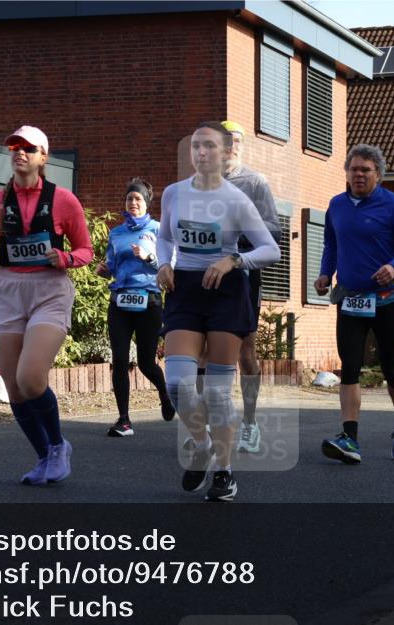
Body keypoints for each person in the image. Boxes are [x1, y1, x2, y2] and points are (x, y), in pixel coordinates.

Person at [156, 121, 280, 501]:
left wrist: (234, 261)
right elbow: (163, 236)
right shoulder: (174, 194)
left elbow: (270, 249)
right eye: (195, 146)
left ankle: (224, 473)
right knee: (177, 383)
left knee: (216, 394)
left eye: (210, 146)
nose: (201, 153)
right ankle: (202, 443)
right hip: (185, 290)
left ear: (226, 153)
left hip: (226, 291)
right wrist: (163, 263)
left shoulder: (237, 199)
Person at [0, 125, 92, 485]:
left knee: (30, 377)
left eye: (28, 148)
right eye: (14, 147)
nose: (19, 152)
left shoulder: (64, 200)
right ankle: (45, 455)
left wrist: (64, 258)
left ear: (43, 157)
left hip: (49, 290)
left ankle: (58, 445)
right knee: (14, 386)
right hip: (8, 289)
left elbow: (86, 250)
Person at [314, 144, 394, 464]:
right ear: (346, 173)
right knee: (349, 366)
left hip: (387, 298)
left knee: (392, 367)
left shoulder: (393, 205)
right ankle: (350, 437)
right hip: (351, 298)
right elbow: (331, 244)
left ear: (378, 174)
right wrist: (324, 273)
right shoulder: (336, 206)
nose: (358, 175)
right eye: (353, 169)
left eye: (365, 170)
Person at [94, 179, 176, 436]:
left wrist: (149, 257)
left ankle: (164, 393)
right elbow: (112, 264)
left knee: (145, 362)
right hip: (120, 299)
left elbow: (168, 265)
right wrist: (105, 270)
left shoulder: (158, 229)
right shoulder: (116, 233)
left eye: (138, 199)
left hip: (149, 300)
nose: (133, 203)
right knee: (119, 359)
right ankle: (124, 420)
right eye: (129, 199)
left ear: (146, 203)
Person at [220, 120, 282, 454]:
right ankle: (213, 424)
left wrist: (242, 233)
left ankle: (249, 423)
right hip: (204, 273)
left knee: (245, 350)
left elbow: (275, 231)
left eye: (237, 141)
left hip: (243, 274)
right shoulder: (200, 184)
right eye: (226, 140)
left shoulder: (255, 182)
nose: (232, 146)